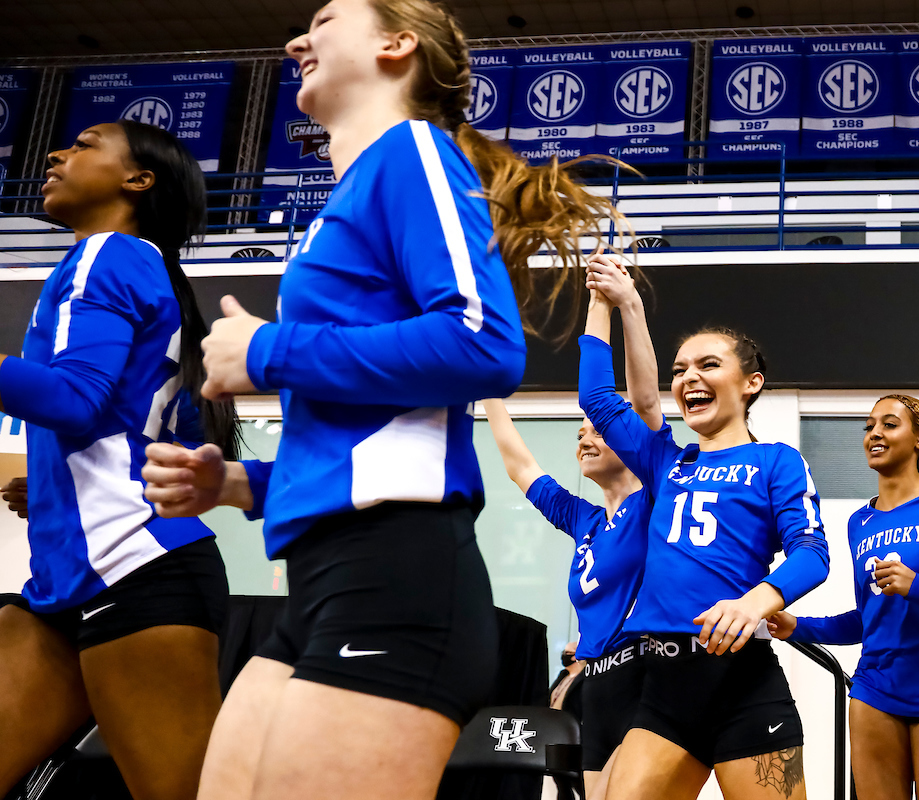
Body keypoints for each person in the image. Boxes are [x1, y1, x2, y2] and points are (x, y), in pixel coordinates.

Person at [139, 2, 631, 799]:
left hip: (396, 579)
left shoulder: (414, 152)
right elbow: (372, 436)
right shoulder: (360, 191)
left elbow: (484, 342)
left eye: (327, 18)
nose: (300, 38)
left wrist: (268, 351)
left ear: (396, 46)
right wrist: (240, 486)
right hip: (316, 584)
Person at [0, 121, 240, 800]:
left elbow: (76, 400)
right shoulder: (142, 267)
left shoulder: (111, 252)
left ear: (139, 181)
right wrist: (50, 490)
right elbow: (145, 441)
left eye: (85, 143)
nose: (55, 153)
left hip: (138, 572)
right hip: (64, 583)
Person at [578, 257, 828, 800]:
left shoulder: (776, 461)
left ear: (751, 382)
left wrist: (752, 604)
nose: (690, 377)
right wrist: (605, 300)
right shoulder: (663, 461)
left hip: (744, 682)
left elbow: (812, 553)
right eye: (680, 369)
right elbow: (596, 398)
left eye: (708, 365)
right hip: (664, 682)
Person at [481, 257, 660, 798]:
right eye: (579, 432)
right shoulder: (583, 516)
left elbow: (643, 400)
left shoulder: (658, 495)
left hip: (648, 676)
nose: (584, 439)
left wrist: (601, 305)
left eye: (597, 432)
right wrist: (485, 388)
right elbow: (520, 467)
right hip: (596, 680)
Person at [769, 395, 919, 800]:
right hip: (873, 689)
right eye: (870, 426)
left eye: (890, 425)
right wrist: (796, 627)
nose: (875, 433)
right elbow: (867, 618)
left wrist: (918, 585)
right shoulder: (860, 522)